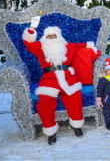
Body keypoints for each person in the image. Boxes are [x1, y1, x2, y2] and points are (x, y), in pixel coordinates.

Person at [22, 17, 100, 145]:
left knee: (75, 98)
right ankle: (51, 131)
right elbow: (28, 42)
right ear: (45, 38)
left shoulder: (68, 46)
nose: (52, 38)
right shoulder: (41, 48)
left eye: (54, 36)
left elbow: (83, 46)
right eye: (49, 36)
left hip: (68, 78)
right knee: (44, 103)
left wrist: (93, 49)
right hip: (49, 80)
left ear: (59, 37)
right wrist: (32, 27)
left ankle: (76, 125)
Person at [96, 58, 110, 136]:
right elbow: (99, 89)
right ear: (106, 70)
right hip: (107, 100)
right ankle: (109, 125)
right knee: (108, 112)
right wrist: (99, 100)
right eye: (108, 69)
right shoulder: (104, 79)